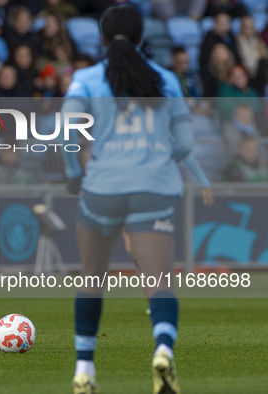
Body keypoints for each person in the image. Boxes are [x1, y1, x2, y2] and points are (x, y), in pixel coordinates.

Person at [62, 6, 193, 394]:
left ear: (102, 38)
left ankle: (84, 370)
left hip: (102, 188)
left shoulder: (86, 79)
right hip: (152, 188)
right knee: (159, 280)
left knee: (91, 277)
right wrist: (156, 159)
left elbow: (67, 131)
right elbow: (185, 144)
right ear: (141, 38)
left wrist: (74, 173)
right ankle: (163, 350)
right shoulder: (166, 80)